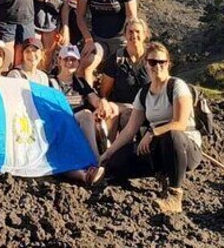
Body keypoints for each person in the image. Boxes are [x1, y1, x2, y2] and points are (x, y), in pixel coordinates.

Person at [99, 43, 202, 214]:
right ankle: (160, 172)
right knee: (116, 161)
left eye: (162, 62)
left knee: (172, 135)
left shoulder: (177, 86)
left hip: (184, 148)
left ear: (168, 64)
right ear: (145, 64)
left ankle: (174, 194)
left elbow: (180, 124)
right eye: (153, 62)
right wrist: (108, 153)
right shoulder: (144, 93)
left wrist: (152, 132)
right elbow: (130, 129)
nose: (157, 66)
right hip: (156, 147)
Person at [76, 0, 138, 81]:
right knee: (86, 65)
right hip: (98, 40)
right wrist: (88, 40)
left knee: (124, 75)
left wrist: (132, 41)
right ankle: (89, 98)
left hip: (121, 40)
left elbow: (132, 17)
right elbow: (80, 16)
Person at [52, 44, 116, 164]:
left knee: (109, 108)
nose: (70, 62)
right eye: (66, 59)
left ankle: (110, 152)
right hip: (64, 121)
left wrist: (102, 103)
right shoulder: (51, 82)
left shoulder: (81, 83)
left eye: (73, 59)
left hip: (85, 123)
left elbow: (93, 99)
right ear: (59, 60)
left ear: (78, 62)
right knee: (86, 114)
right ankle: (96, 160)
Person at [99, 18, 151, 134]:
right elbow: (104, 92)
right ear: (125, 34)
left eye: (138, 31)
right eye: (130, 32)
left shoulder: (152, 58)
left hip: (149, 107)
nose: (134, 35)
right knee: (117, 112)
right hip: (122, 106)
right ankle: (109, 148)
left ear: (145, 34)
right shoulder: (116, 59)